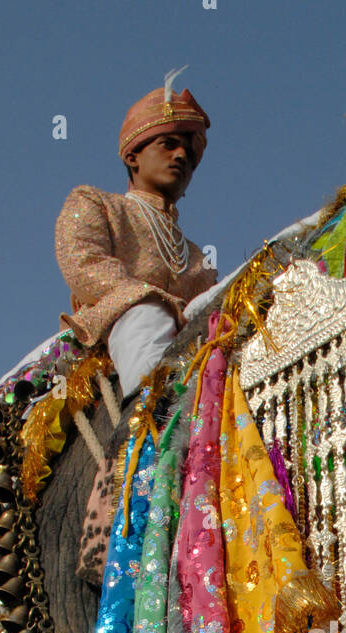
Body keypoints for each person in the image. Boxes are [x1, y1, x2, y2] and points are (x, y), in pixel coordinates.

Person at [55, 71, 218, 398]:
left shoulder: (199, 258)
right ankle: (153, 418)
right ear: (133, 157)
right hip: (110, 336)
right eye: (168, 145)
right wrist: (157, 300)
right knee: (146, 314)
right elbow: (83, 264)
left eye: (188, 152)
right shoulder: (96, 204)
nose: (181, 156)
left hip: (188, 349)